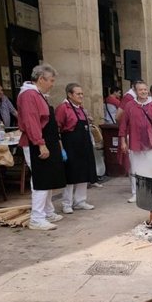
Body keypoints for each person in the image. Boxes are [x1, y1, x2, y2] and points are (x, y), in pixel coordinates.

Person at [17, 64, 66, 231]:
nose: (52, 84)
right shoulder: (29, 95)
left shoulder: (39, 94)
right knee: (41, 180)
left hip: (45, 141)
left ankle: (47, 211)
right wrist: (40, 143)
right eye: (51, 80)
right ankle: (37, 218)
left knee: (48, 178)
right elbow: (31, 122)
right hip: (35, 143)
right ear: (40, 79)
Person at [118, 80, 152, 208]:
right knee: (136, 168)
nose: (143, 92)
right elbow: (123, 125)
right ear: (136, 91)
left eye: (145, 89)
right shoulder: (130, 105)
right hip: (135, 142)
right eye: (140, 90)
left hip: (151, 142)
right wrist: (123, 141)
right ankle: (136, 193)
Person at [56, 83, 97, 213]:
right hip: (70, 145)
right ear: (69, 94)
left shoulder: (81, 108)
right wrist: (61, 148)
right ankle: (67, 203)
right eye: (78, 94)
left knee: (83, 173)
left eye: (82, 94)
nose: (81, 96)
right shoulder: (63, 108)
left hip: (84, 144)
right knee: (71, 175)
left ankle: (80, 201)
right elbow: (57, 128)